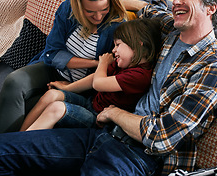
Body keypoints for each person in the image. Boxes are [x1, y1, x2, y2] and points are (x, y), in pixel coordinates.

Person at [0, 0, 217, 175]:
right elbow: (150, 8)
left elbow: (163, 137)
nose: (177, 2)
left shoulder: (214, 66)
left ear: (210, 8)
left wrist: (114, 113)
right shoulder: (169, 28)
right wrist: (113, 1)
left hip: (136, 155)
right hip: (101, 133)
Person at [0, 0, 142, 133]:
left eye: (104, 9)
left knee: (26, 107)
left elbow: (110, 70)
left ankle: (7, 147)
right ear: (78, 4)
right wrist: (96, 62)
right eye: (90, 11)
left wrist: (72, 86)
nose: (98, 17)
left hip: (83, 85)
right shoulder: (67, 9)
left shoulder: (117, 26)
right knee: (14, 81)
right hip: (52, 70)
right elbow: (51, 53)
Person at [20, 18, 162, 131]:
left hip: (97, 119)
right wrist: (67, 88)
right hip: (91, 103)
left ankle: (18, 148)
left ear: (138, 44)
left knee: (57, 108)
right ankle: (17, 136)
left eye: (118, 45)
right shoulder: (125, 64)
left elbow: (98, 83)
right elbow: (94, 78)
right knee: (52, 95)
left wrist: (102, 63)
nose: (114, 50)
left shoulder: (140, 76)